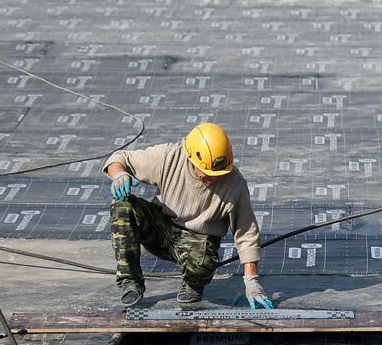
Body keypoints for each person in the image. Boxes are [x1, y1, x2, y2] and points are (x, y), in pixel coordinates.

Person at [104, 122, 274, 309]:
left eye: (218, 174)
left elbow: (246, 233)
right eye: (207, 174)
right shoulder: (169, 157)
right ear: (190, 158)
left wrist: (251, 281)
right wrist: (119, 174)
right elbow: (119, 158)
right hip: (161, 228)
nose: (214, 179)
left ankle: (193, 284)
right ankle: (130, 281)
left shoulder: (234, 184)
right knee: (123, 206)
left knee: (203, 262)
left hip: (198, 241)